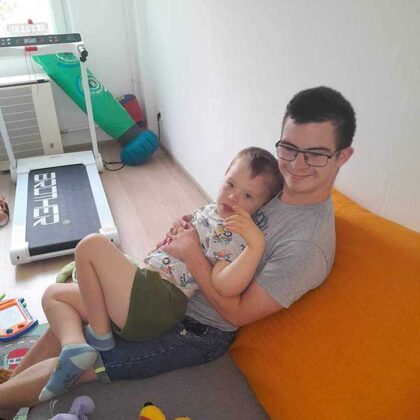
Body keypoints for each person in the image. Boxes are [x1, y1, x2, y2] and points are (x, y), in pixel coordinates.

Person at [0, 86, 355, 419]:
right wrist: (192, 227)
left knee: (80, 365)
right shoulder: (276, 185)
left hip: (195, 329)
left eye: (316, 154)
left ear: (343, 156)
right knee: (72, 312)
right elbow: (221, 221)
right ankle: (9, 383)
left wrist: (191, 251)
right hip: (172, 289)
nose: (296, 164)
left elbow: (235, 314)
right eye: (289, 148)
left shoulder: (307, 245)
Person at [37, 147, 283, 401]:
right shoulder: (214, 211)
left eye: (247, 196)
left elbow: (225, 285)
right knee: (53, 296)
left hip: (160, 300)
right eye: (230, 184)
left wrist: (254, 248)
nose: (232, 197)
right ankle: (75, 346)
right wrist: (179, 231)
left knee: (91, 246)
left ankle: (100, 338)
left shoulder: (233, 234)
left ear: (261, 207)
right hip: (147, 283)